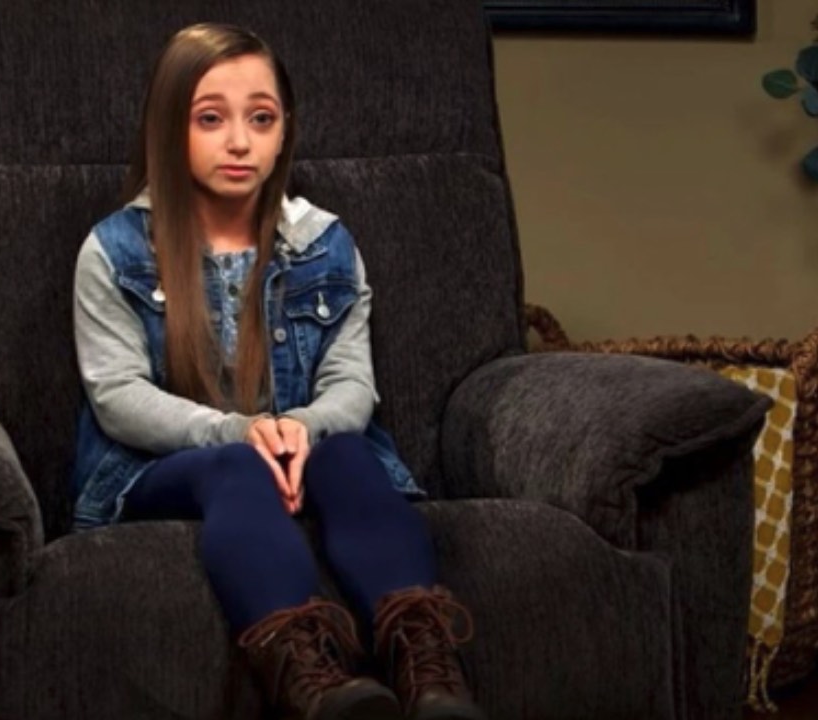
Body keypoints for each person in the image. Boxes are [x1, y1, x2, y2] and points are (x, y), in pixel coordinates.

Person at [71, 22, 485, 720]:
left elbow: (352, 384)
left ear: (284, 128)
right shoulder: (114, 251)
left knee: (349, 453)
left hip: (302, 446)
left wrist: (299, 428)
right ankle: (309, 680)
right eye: (211, 119)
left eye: (261, 119)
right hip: (162, 466)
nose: (240, 142)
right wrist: (239, 432)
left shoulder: (326, 244)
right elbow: (117, 395)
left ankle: (427, 666)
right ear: (168, 127)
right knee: (236, 465)